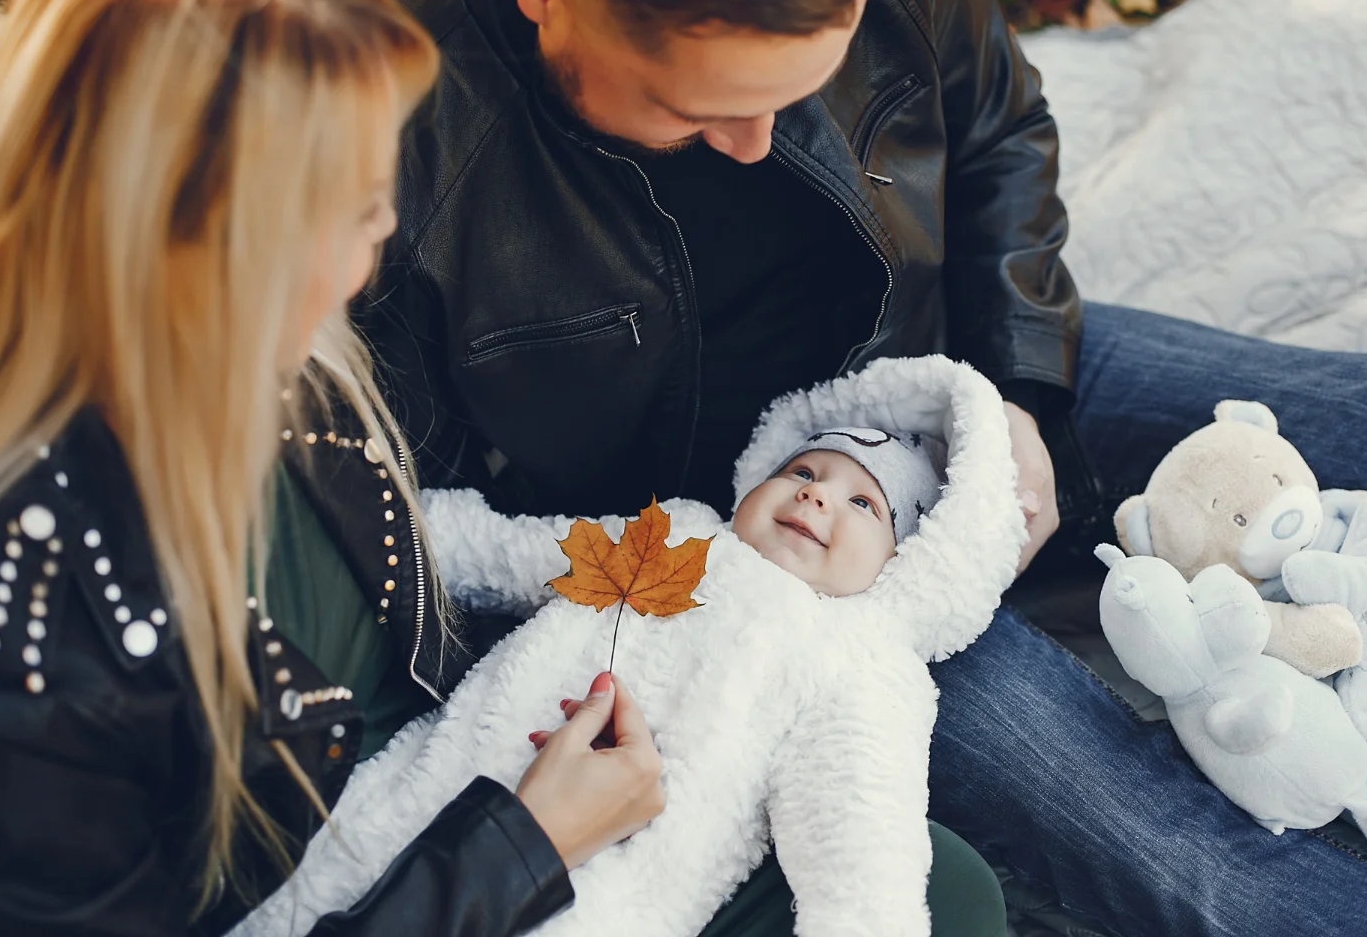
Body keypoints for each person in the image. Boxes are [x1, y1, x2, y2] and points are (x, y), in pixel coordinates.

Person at [364, 0, 1367, 932]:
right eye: (695, 111)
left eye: (796, 91)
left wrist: (1019, 385)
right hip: (766, 566)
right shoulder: (399, 109)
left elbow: (999, 130)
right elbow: (416, 495)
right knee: (1139, 825)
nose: (755, 145)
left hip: (944, 358)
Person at [0, 0, 667, 933]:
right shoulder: (39, 633)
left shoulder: (290, 369)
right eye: (355, 204)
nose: (389, 226)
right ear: (203, 244)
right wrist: (524, 844)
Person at [237, 356, 1016, 937]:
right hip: (450, 774)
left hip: (620, 881)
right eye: (804, 470)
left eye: (863, 503)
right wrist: (393, 519)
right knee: (337, 871)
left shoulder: (859, 666)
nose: (815, 494)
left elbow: (860, 840)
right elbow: (520, 554)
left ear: (906, 567)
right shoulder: (674, 534)